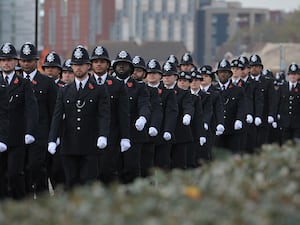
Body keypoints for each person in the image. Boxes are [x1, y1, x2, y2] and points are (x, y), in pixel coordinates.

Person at [48, 45, 111, 190]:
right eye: (75, 65)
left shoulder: (99, 89)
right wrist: (52, 139)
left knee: (87, 183)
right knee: (71, 183)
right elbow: (57, 116)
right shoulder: (65, 91)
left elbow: (104, 115)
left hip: (90, 144)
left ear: (88, 66)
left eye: (81, 64)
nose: (78, 68)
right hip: (69, 145)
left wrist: (103, 135)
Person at [19, 42, 58, 196]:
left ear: (36, 61)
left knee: (38, 169)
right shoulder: (15, 82)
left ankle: (43, 204)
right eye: (24, 60)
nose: (26, 63)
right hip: (19, 135)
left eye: (29, 60)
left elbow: (54, 111)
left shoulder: (46, 83)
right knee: (23, 172)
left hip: (40, 136)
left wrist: (52, 137)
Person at [90, 45, 130, 184]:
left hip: (111, 136)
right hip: (89, 137)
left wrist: (125, 137)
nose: (99, 64)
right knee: (90, 175)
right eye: (95, 61)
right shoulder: (86, 83)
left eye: (102, 61)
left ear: (108, 64)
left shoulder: (117, 85)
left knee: (108, 172)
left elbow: (123, 114)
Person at [113, 50, 151, 183]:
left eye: (125, 64)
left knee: (132, 168)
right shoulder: (108, 86)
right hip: (114, 134)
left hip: (133, 134)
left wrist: (143, 118)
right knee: (113, 169)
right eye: (119, 64)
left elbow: (144, 105)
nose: (122, 67)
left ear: (131, 68)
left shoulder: (139, 87)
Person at [214, 59, 246, 154]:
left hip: (232, 129)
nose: (223, 75)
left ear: (230, 74)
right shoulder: (213, 90)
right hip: (217, 129)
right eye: (220, 72)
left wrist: (239, 119)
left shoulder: (238, 90)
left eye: (225, 72)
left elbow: (241, 107)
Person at [249, 54, 277, 148]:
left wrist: (271, 115)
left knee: (262, 144)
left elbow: (272, 100)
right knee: (249, 145)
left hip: (264, 118)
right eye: (252, 66)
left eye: (256, 66)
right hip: (250, 118)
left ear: (261, 68)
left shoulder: (267, 82)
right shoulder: (246, 82)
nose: (254, 69)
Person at [0, 43, 16, 199]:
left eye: (9, 59)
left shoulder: (23, 83)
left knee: (13, 174)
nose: (6, 63)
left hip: (15, 137)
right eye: (3, 59)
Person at [276, 63, 300, 143]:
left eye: (295, 74)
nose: (293, 76)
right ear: (288, 75)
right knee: (285, 144)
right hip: (284, 123)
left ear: (298, 76)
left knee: (296, 145)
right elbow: (278, 103)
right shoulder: (282, 87)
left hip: (297, 124)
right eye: (291, 74)